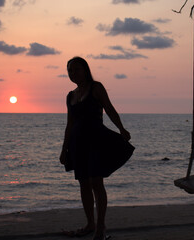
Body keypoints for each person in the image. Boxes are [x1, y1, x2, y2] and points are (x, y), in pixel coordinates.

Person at [59, 57, 134, 240]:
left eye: (76, 69)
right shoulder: (70, 95)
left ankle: (100, 227)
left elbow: (109, 109)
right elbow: (70, 124)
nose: (73, 73)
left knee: (96, 183)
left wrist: (121, 128)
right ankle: (90, 224)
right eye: (70, 70)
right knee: (83, 183)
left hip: (96, 140)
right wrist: (64, 149)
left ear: (85, 70)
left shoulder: (96, 87)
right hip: (77, 143)